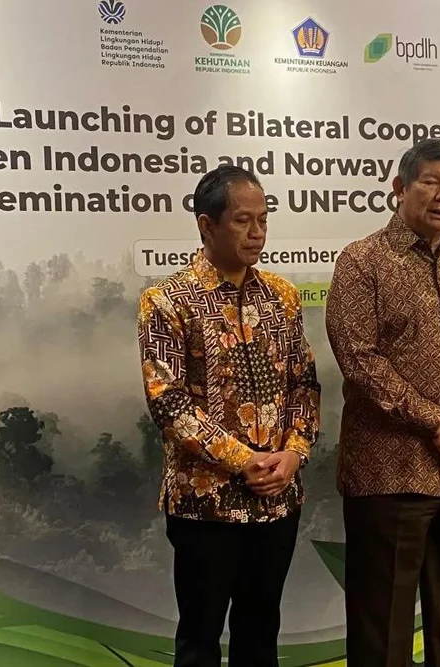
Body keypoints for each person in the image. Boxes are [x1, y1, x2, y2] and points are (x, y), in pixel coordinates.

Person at [325, 138, 440, 667]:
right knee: (382, 627)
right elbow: (360, 361)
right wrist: (438, 422)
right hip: (389, 472)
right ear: (399, 188)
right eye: (431, 182)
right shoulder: (363, 262)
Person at [137, 165, 321, 667]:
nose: (257, 232)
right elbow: (169, 402)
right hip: (206, 505)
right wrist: (245, 460)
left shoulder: (282, 297)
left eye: (263, 220)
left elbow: (305, 383)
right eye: (243, 220)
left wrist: (294, 452)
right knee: (199, 639)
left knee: (260, 634)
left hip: (278, 500)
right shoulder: (167, 301)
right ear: (206, 225)